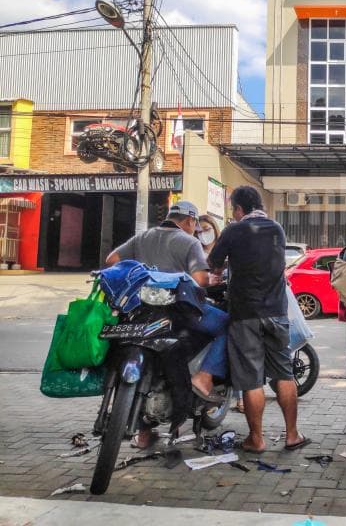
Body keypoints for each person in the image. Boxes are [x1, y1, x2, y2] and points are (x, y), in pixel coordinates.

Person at [106, 200, 229, 446]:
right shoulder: (189, 241)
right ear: (189, 221)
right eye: (195, 225)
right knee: (228, 325)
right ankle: (203, 377)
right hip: (177, 313)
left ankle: (143, 434)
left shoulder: (142, 237)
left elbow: (111, 260)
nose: (196, 230)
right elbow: (200, 279)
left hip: (141, 314)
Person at [208, 185, 310, 453]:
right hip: (277, 311)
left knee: (252, 380)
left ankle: (257, 439)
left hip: (246, 314)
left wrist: (221, 271)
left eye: (233, 210)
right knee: (284, 374)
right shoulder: (276, 228)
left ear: (239, 209)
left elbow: (214, 265)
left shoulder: (234, 229)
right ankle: (292, 435)